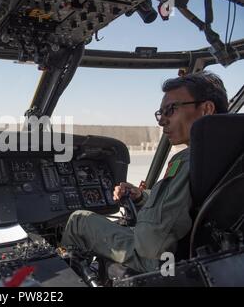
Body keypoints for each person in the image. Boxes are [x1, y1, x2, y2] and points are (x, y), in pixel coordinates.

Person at [61, 71, 228, 273]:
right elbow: (189, 204)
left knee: (79, 220)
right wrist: (141, 198)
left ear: (206, 109)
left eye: (171, 110)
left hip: (163, 263)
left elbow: (151, 243)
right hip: (209, 258)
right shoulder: (229, 154)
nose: (162, 121)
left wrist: (138, 224)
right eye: (160, 113)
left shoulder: (189, 160)